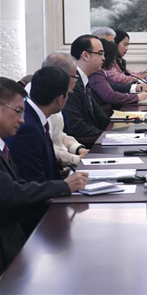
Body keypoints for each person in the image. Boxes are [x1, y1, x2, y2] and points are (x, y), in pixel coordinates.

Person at [0, 77, 88, 271]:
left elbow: (20, 183)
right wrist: (64, 186)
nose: (22, 119)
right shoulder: (25, 131)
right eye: (17, 111)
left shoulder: (3, 144)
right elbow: (10, 193)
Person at [5, 67, 70, 183]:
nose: (20, 119)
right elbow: (33, 181)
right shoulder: (28, 127)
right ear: (60, 99)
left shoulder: (34, 116)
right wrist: (65, 186)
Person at [62, 34, 111, 148]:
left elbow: (100, 117)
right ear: (85, 55)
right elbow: (75, 127)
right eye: (100, 53)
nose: (104, 58)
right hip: (83, 146)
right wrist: (109, 136)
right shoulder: (71, 82)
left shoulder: (83, 79)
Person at [41, 53, 89, 166]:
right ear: (62, 75)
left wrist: (78, 148)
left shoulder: (57, 94)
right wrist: (76, 159)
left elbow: (58, 134)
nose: (76, 81)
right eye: (74, 77)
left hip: (67, 159)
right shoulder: (43, 100)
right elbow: (48, 147)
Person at [89, 38, 147, 112]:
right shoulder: (95, 73)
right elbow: (110, 95)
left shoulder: (100, 71)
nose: (114, 62)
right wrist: (136, 97)